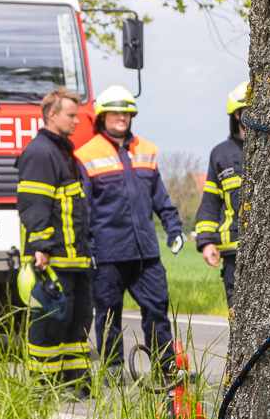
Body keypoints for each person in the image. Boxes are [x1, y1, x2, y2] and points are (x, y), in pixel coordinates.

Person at [76, 85, 187, 384]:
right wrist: (85, 248)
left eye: (126, 112)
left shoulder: (146, 150)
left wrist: (173, 227)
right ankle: (112, 370)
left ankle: (166, 368)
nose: (121, 117)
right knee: (109, 314)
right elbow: (83, 209)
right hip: (107, 252)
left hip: (146, 253)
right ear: (103, 116)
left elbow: (160, 198)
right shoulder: (86, 155)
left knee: (157, 309)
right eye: (115, 112)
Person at [15, 87, 94, 393]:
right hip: (52, 258)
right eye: (71, 115)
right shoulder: (40, 152)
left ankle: (76, 384)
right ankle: (43, 386)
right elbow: (34, 206)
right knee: (49, 323)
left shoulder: (61, 151)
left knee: (76, 322)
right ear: (52, 114)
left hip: (74, 259)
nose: (76, 121)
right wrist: (41, 247)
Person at [196, 80, 246, 306]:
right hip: (232, 249)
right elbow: (210, 202)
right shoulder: (220, 154)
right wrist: (206, 242)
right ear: (236, 115)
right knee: (237, 313)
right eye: (247, 110)